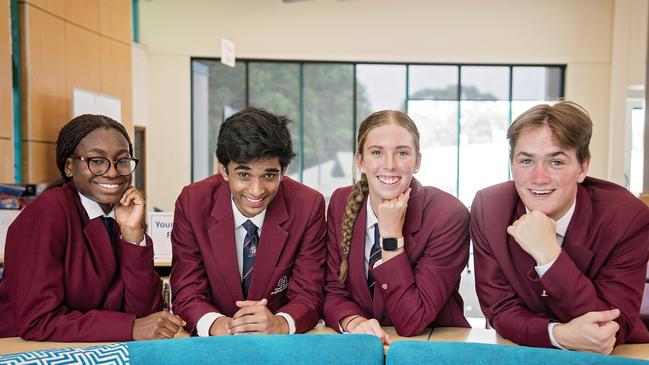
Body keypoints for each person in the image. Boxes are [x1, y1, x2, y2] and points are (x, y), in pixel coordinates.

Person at [472, 101, 649, 354]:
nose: (539, 178)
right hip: (522, 351)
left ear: (582, 168)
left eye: (556, 162)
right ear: (512, 164)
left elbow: (611, 325)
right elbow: (499, 310)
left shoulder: (627, 218)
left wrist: (549, 255)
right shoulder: (488, 208)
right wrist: (557, 335)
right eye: (526, 161)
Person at [0, 114, 184, 341]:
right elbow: (38, 321)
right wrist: (129, 328)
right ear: (69, 166)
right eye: (97, 161)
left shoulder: (119, 214)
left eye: (122, 161)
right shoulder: (47, 213)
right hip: (28, 351)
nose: (113, 172)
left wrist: (133, 236)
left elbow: (145, 313)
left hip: (94, 349)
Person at [171, 107, 326, 336]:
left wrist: (280, 323)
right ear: (224, 170)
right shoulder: (192, 202)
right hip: (215, 345)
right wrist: (216, 325)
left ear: (283, 171)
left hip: (278, 347)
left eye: (269, 175)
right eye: (244, 174)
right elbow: (186, 290)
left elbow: (309, 294)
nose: (257, 190)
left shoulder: (308, 205)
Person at [324, 110, 470, 344]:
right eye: (377, 152)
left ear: (417, 162)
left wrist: (391, 237)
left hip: (431, 349)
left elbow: (412, 321)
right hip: (365, 348)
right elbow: (333, 290)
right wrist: (354, 322)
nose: (390, 165)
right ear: (361, 161)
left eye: (402, 153)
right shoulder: (341, 202)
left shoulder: (448, 215)